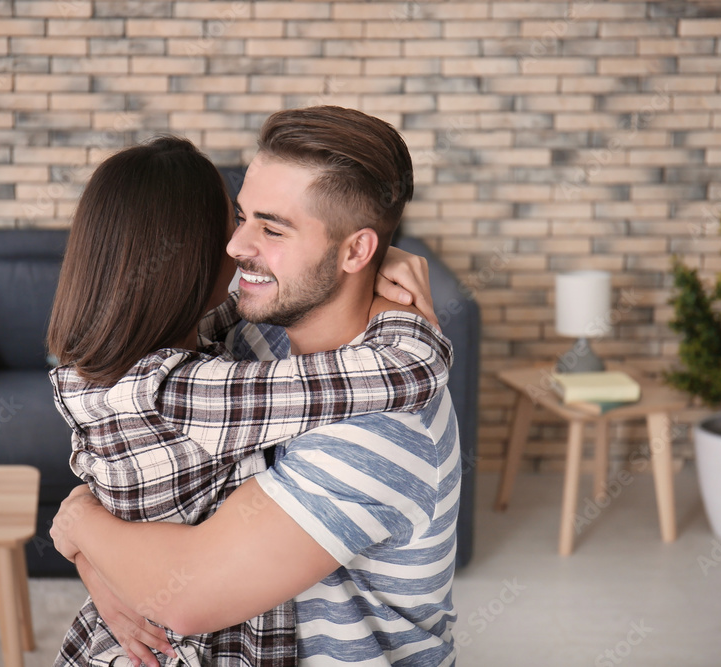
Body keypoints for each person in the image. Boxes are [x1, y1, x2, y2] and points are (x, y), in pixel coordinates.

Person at [52, 106, 461, 666]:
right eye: (241, 216)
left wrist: (82, 524)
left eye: (271, 228)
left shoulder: (380, 430)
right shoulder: (256, 335)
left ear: (355, 250)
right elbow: (129, 459)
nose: (235, 246)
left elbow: (188, 595)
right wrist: (91, 541)